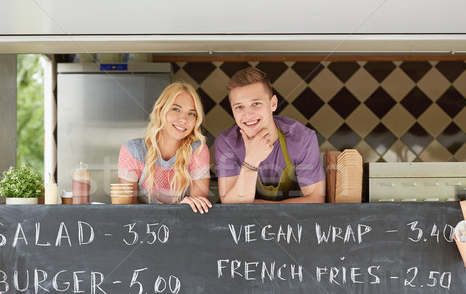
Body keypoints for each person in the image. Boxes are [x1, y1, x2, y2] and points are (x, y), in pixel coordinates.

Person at [214, 67, 326, 203]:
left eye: (256, 104)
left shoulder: (302, 139)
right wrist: (251, 161)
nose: (248, 115)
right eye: (239, 107)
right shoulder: (226, 143)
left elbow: (315, 201)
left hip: (296, 223)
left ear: (273, 104)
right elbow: (230, 205)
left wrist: (264, 208)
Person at [118, 82, 212, 213]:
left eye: (191, 114)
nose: (183, 119)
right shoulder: (133, 151)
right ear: (161, 110)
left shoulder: (198, 151)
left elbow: (198, 209)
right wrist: (178, 209)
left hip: (183, 229)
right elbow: (129, 212)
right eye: (176, 109)